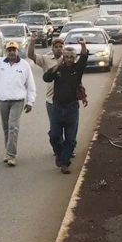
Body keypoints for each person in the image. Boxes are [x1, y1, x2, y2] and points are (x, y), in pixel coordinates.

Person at [43, 39, 88, 174]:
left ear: (75, 58)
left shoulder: (77, 69)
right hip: (57, 107)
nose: (69, 59)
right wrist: (56, 66)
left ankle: (64, 163)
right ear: (63, 57)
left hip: (72, 108)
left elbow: (84, 57)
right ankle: (59, 154)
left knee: (70, 138)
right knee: (54, 136)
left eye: (71, 57)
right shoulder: (58, 69)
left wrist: (83, 45)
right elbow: (46, 78)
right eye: (66, 57)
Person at [28, 34, 64, 123]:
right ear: (52, 49)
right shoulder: (46, 59)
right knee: (55, 128)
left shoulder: (68, 59)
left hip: (66, 101)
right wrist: (32, 41)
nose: (58, 48)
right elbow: (31, 55)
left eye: (60, 46)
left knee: (67, 127)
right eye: (56, 47)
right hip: (51, 100)